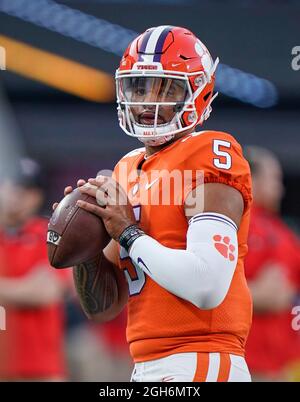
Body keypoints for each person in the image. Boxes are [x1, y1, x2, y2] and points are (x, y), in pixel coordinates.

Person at [53, 26, 253, 382]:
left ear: (199, 93)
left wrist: (128, 232)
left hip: (201, 357)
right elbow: (103, 308)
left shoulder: (210, 152)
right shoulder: (126, 168)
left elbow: (206, 287)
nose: (148, 102)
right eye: (139, 87)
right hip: (147, 363)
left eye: (167, 89)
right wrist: (86, 247)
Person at [0, 158, 70, 381]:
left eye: (27, 189)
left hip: (42, 368)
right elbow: (33, 289)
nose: (18, 194)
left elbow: (46, 292)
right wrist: (24, 287)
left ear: (38, 196)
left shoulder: (49, 234)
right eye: (13, 185)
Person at [243, 146, 300, 381]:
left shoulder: (209, 223)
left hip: (228, 357)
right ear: (251, 178)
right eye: (274, 179)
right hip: (262, 361)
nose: (281, 188)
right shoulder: (271, 231)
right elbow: (274, 295)